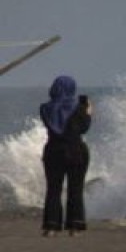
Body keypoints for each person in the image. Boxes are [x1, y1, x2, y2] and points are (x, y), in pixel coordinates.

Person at [39, 75, 92, 236]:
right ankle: (74, 227)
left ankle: (51, 227)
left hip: (53, 151)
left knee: (53, 189)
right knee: (75, 189)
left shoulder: (45, 108)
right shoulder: (80, 107)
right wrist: (88, 112)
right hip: (76, 151)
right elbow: (84, 128)